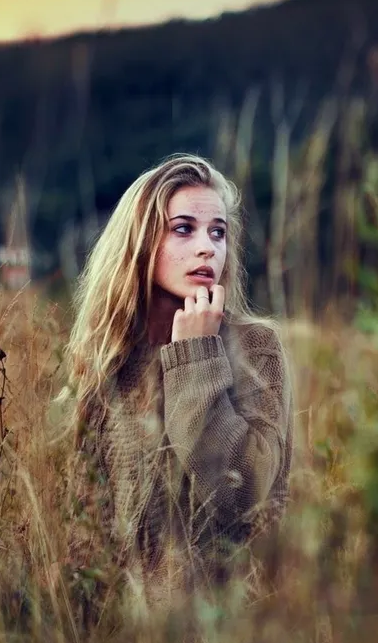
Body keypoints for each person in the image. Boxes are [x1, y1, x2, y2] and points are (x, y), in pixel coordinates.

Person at [61, 153, 293, 596]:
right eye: (183, 229)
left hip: (233, 637)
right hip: (130, 641)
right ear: (140, 242)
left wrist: (195, 354)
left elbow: (244, 501)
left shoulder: (256, 348)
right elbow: (85, 535)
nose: (208, 247)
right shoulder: (109, 362)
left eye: (218, 232)